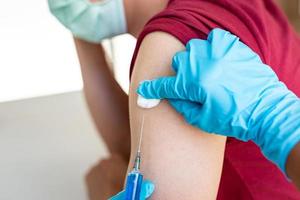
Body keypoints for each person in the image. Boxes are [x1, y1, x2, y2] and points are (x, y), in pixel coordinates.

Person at [48, 0, 300, 199]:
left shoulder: (178, 45)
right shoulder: (237, 7)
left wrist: (102, 194)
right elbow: (128, 142)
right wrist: (82, 33)